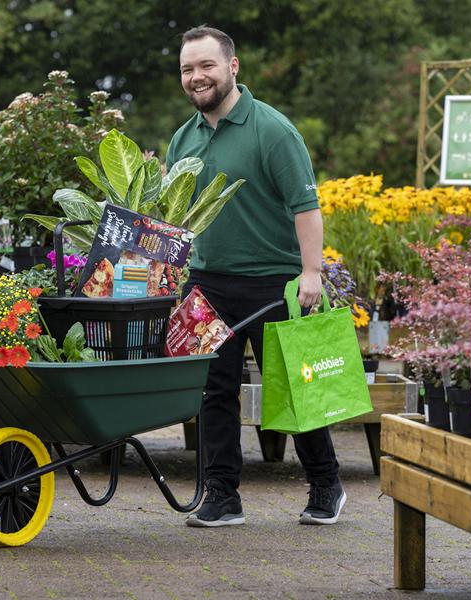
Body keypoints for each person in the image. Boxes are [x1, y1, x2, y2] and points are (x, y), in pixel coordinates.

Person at [166, 26, 345, 527]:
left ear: (232, 67)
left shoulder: (273, 130)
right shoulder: (183, 138)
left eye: (206, 66)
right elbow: (171, 218)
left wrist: (311, 272)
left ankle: (326, 483)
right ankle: (222, 495)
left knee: (292, 388)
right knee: (212, 392)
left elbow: (305, 206)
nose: (197, 77)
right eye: (187, 69)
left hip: (273, 282)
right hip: (205, 283)